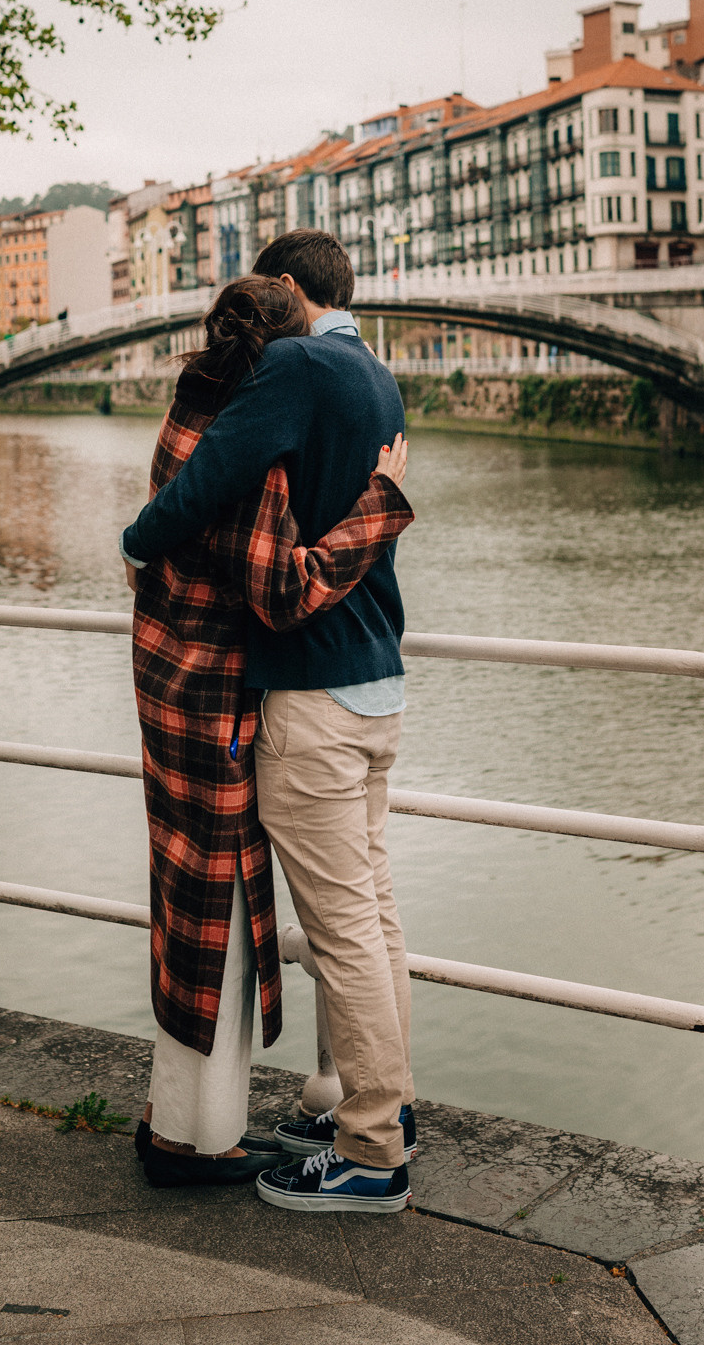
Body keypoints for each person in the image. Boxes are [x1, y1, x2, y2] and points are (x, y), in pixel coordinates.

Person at [121, 228, 417, 1215]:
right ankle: (388, 1114)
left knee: (341, 929)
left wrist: (137, 537)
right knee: (371, 914)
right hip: (381, 681)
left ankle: (373, 1148)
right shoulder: (378, 377)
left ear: (279, 291)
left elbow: (209, 497)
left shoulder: (288, 369)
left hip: (314, 692)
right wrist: (384, 498)